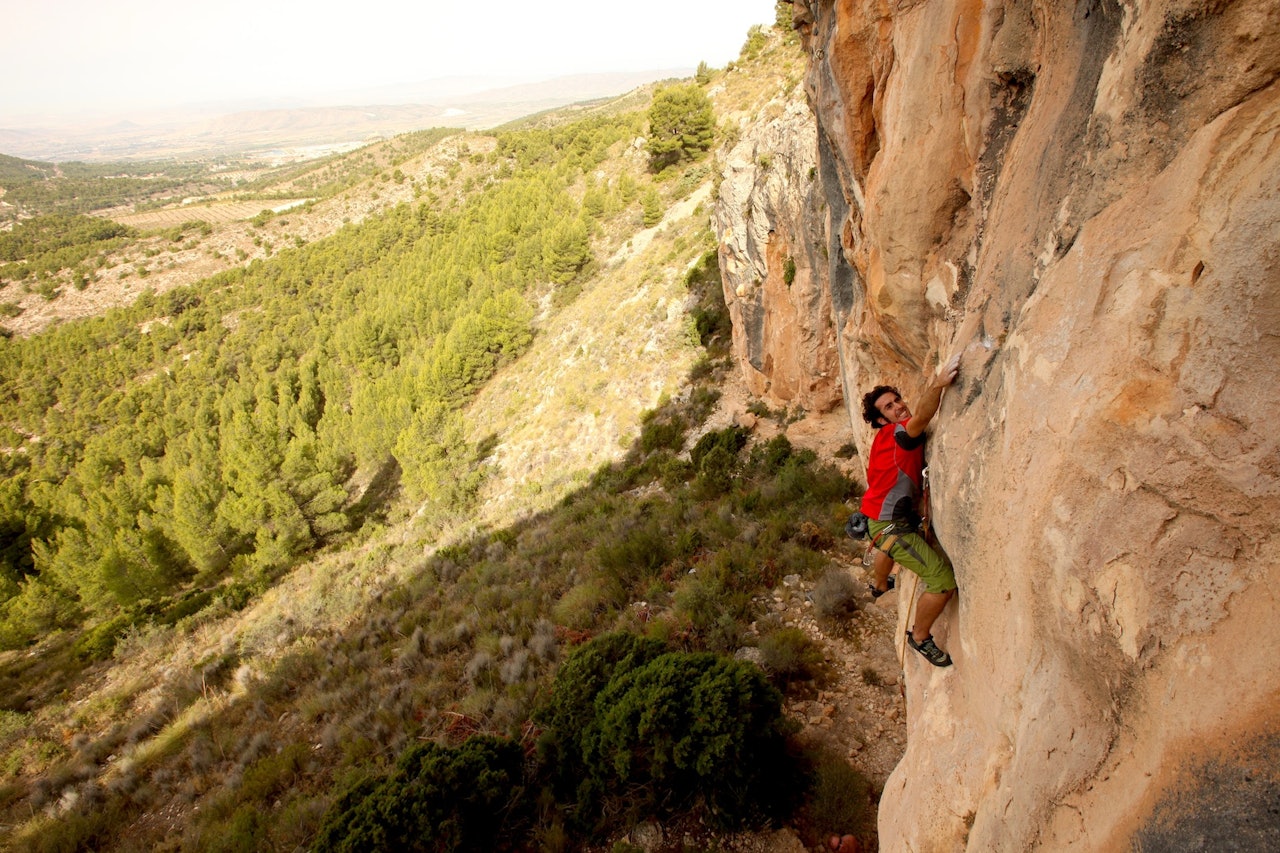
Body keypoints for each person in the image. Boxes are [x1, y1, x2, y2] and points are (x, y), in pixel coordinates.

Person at [860, 354, 960, 667]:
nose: (899, 406)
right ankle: (919, 637)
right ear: (881, 420)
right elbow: (922, 419)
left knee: (887, 545)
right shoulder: (897, 434)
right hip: (892, 525)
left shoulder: (883, 437)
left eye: (897, 400)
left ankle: (880, 584)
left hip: (879, 519)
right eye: (889, 407)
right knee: (942, 581)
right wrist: (939, 383)